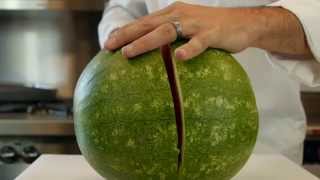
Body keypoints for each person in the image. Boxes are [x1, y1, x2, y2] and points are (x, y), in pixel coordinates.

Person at [98, 0, 320, 164]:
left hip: (267, 148)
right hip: (143, 148)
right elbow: (124, 8)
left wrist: (251, 22)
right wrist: (121, 36)